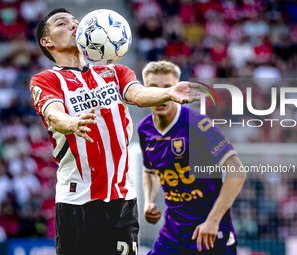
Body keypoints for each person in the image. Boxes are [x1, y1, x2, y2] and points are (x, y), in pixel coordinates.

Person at [30, 8, 202, 255]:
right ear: (46, 42)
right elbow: (53, 114)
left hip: (122, 200)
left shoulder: (115, 72)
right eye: (62, 23)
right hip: (76, 200)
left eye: (76, 22)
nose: (73, 26)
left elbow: (139, 95)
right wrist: (71, 123)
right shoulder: (45, 80)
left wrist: (167, 93)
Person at [138, 61, 246, 255]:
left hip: (210, 235)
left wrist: (212, 221)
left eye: (167, 87)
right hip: (172, 236)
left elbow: (237, 171)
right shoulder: (144, 129)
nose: (161, 94)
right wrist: (149, 201)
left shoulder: (197, 124)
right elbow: (149, 171)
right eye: (153, 88)